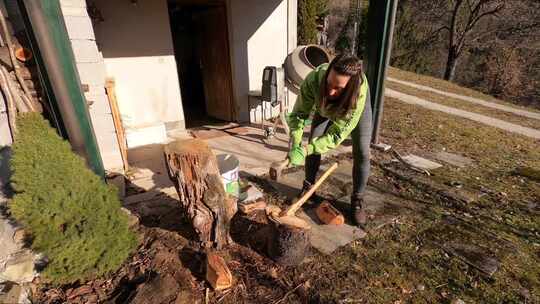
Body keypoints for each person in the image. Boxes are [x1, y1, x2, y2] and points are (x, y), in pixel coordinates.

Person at [287, 54, 372, 227]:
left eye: (338, 88)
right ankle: (309, 188)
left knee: (362, 151)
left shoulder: (357, 95)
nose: (331, 92)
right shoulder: (314, 80)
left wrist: (306, 150)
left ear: (349, 87)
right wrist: (296, 143)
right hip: (324, 108)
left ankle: (357, 200)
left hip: (353, 109)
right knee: (314, 139)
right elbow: (298, 115)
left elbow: (335, 135)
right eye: (329, 84)